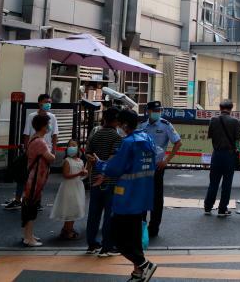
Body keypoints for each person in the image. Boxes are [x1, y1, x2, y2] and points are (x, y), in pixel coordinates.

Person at [88, 109, 159, 282]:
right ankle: (138, 273)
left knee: (117, 237)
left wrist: (99, 163)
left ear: (125, 125)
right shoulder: (147, 139)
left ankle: (143, 264)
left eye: (120, 124)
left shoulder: (128, 143)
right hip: (142, 196)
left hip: (126, 197)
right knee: (134, 237)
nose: (118, 127)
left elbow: (115, 168)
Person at [5, 93, 59, 210]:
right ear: (39, 103)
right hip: (33, 151)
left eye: (50, 102)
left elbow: (55, 135)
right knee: (25, 175)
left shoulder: (52, 117)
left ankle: (36, 201)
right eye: (46, 102)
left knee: (41, 177)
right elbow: (26, 134)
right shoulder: (32, 116)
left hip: (46, 151)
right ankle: (20, 200)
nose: (48, 104)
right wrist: (26, 149)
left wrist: (53, 150)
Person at [141, 100, 181, 238]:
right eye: (155, 111)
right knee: (142, 195)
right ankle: (141, 225)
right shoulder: (142, 125)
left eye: (159, 111)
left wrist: (166, 160)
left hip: (157, 166)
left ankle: (154, 228)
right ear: (148, 111)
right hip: (142, 166)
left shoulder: (165, 125)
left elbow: (178, 142)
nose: (157, 113)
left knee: (156, 199)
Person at [85, 108, 122, 256]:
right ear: (117, 121)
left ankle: (91, 244)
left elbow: (88, 154)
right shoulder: (117, 137)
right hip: (110, 181)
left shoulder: (96, 134)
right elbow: (113, 159)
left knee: (94, 213)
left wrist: (96, 165)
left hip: (95, 179)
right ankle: (108, 246)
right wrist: (105, 173)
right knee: (109, 214)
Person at [21, 114, 56, 247]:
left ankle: (28, 234)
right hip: (34, 179)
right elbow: (50, 158)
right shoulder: (40, 142)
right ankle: (29, 238)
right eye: (48, 124)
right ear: (43, 126)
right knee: (31, 207)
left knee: (30, 206)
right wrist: (52, 154)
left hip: (33, 178)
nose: (49, 126)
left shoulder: (34, 138)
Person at [204, 100, 240, 217]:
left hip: (216, 154)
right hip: (229, 155)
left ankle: (208, 207)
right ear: (231, 108)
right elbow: (239, 140)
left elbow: (210, 136)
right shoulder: (235, 121)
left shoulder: (213, 120)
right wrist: (238, 150)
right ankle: (222, 209)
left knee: (213, 182)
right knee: (227, 183)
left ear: (220, 108)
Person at [51, 139, 87, 240]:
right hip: (69, 187)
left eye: (74, 145)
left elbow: (82, 176)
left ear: (78, 148)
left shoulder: (80, 161)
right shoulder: (67, 161)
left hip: (78, 187)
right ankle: (67, 230)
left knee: (75, 207)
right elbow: (66, 175)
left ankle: (67, 229)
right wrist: (79, 174)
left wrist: (85, 172)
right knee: (70, 208)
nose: (72, 147)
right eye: (70, 146)